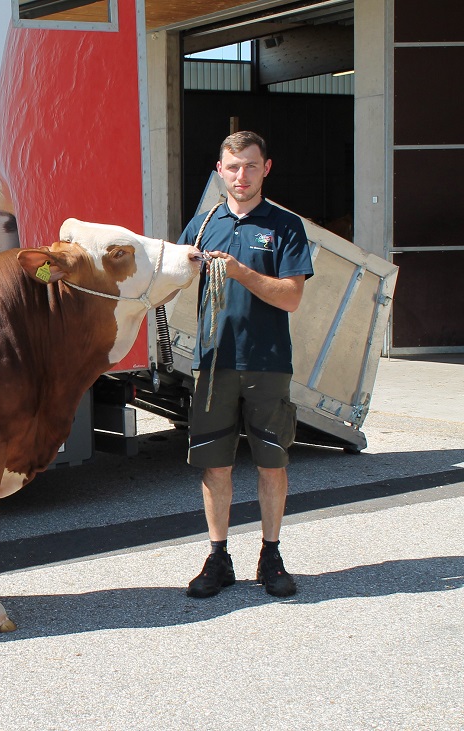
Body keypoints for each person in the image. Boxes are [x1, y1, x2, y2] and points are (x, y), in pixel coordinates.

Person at [178, 131, 314, 598]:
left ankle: (270, 554)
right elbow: (172, 285)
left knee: (271, 464)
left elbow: (292, 297)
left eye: (251, 166)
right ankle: (218, 558)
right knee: (215, 466)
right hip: (213, 364)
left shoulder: (285, 226)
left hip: (268, 362)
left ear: (266, 168)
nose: (241, 176)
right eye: (233, 167)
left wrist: (239, 272)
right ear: (220, 170)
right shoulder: (201, 225)